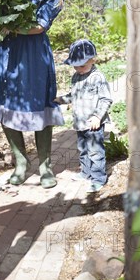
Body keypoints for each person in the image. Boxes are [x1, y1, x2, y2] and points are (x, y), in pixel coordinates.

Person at [0, 0, 65, 189]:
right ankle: (21, 163)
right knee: (5, 102)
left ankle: (45, 166)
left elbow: (40, 26)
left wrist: (13, 27)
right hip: (8, 49)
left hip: (33, 52)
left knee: (40, 104)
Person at [55, 39, 112, 192]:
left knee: (95, 151)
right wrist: (60, 100)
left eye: (82, 65)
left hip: (94, 123)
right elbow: (73, 95)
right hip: (80, 122)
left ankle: (98, 178)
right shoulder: (76, 77)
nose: (78, 69)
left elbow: (106, 99)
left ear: (93, 60)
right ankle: (86, 173)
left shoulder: (97, 77)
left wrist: (97, 117)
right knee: (83, 149)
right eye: (75, 65)